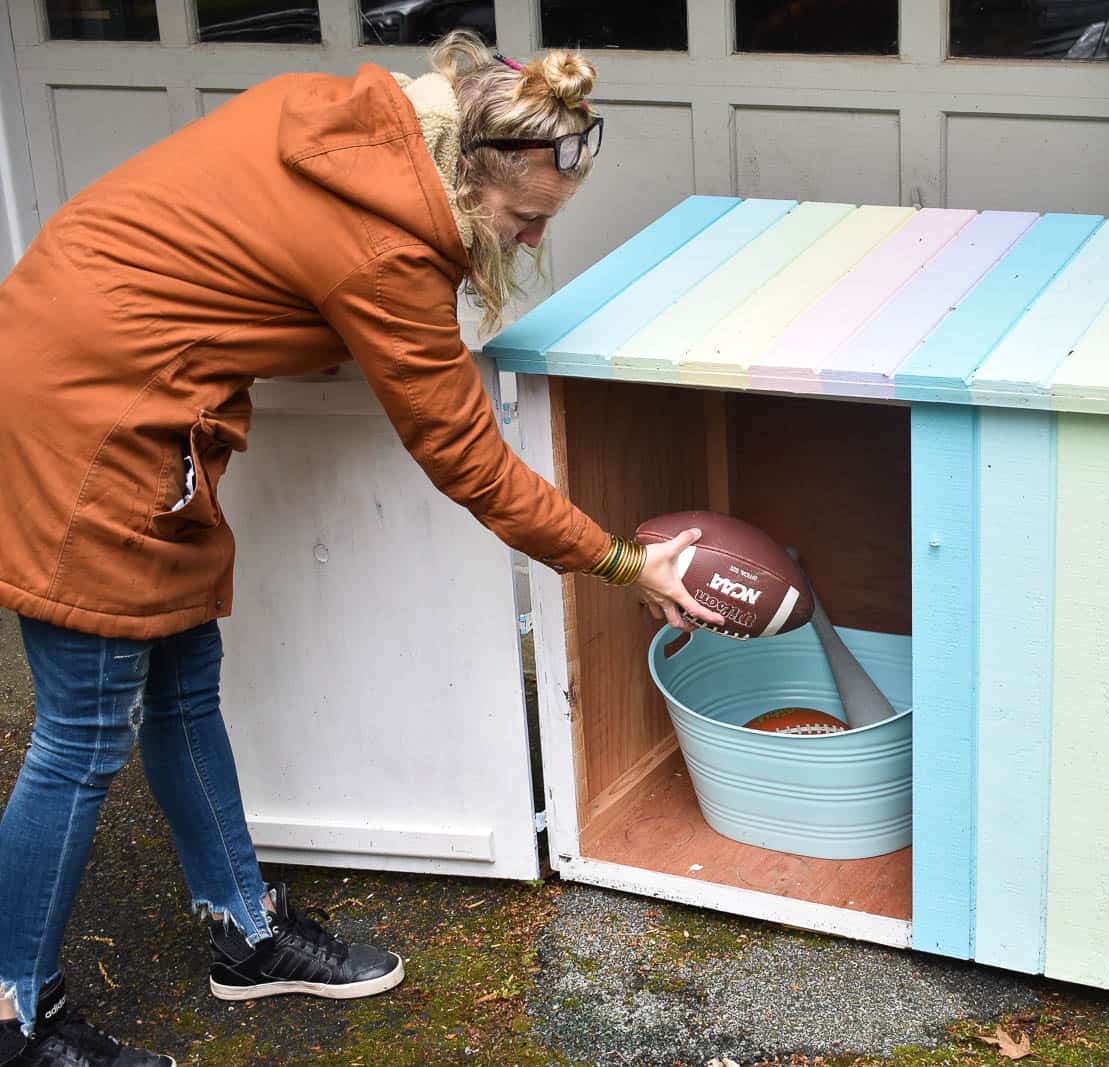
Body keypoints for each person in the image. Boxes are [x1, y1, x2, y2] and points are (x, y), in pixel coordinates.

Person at [0, 30, 718, 1067]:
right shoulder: (388, 243)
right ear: (470, 171)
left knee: (184, 678)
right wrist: (618, 559)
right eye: (520, 222)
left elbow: (250, 255)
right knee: (82, 730)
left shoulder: (355, 122)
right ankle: (18, 1012)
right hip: (91, 418)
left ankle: (243, 933)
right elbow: (469, 458)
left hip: (103, 371)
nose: (520, 248)